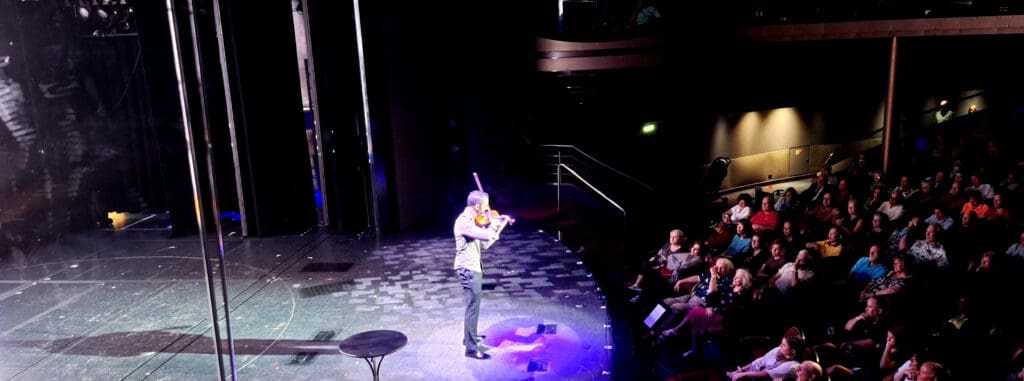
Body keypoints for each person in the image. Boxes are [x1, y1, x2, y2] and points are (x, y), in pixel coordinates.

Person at [454, 190, 510, 360]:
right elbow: (486, 235)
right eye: (485, 207)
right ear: (477, 206)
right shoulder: (464, 222)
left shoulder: (473, 221)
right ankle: (471, 348)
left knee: (473, 307)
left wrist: (498, 228)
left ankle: (469, 337)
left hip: (473, 267)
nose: (487, 211)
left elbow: (484, 244)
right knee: (472, 308)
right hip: (467, 269)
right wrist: (493, 223)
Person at [726, 335, 806, 380]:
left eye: (784, 345)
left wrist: (742, 375)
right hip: (755, 373)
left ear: (793, 351)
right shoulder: (778, 350)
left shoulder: (792, 366)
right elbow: (760, 361)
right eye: (781, 343)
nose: (780, 346)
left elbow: (765, 374)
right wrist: (739, 370)